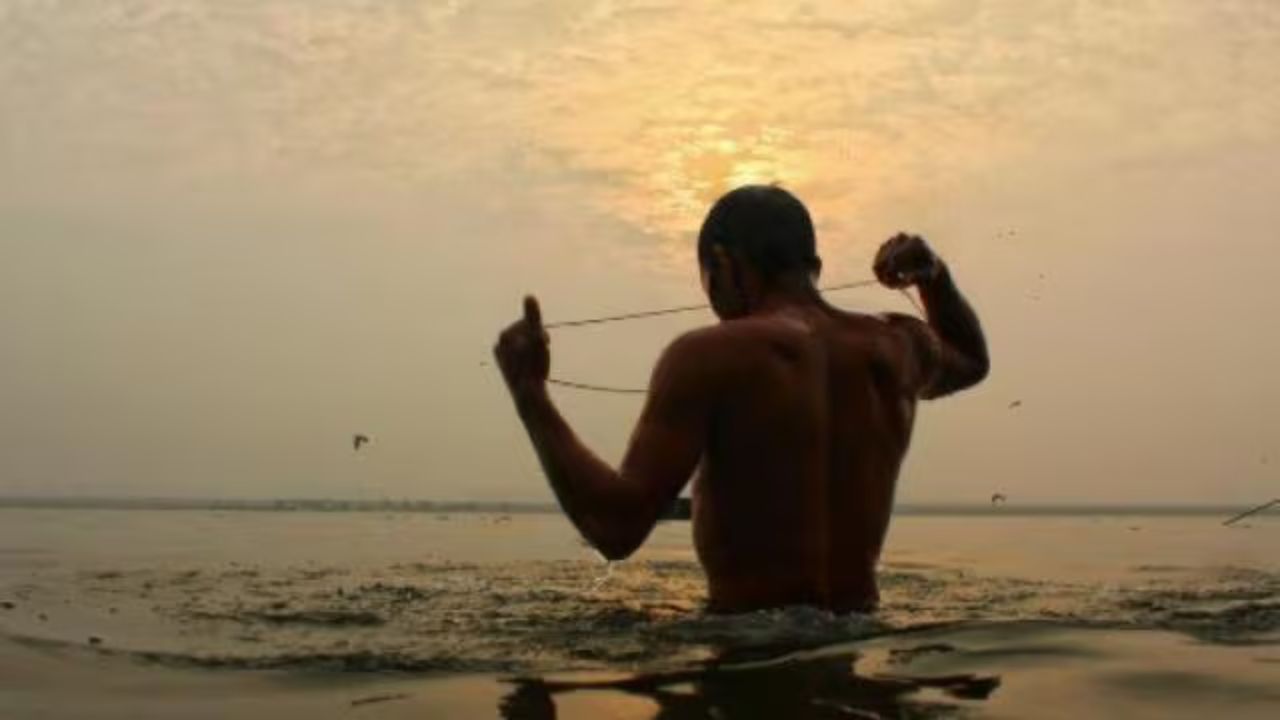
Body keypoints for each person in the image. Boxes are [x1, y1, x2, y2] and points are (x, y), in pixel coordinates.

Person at [494, 185, 988, 613]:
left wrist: (529, 394)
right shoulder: (899, 345)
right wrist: (934, 278)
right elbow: (970, 360)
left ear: (723, 264)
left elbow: (615, 527)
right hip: (857, 636)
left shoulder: (707, 354)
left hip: (745, 647)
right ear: (813, 267)